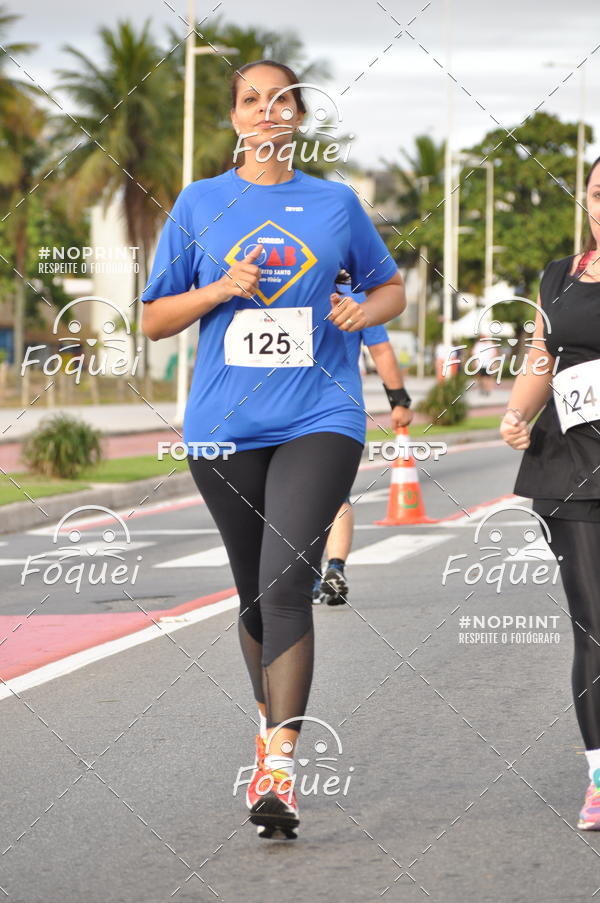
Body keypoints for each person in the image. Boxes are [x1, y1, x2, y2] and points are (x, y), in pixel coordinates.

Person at [141, 60, 406, 839]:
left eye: (279, 99)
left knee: (288, 577)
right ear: (234, 120)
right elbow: (154, 318)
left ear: (297, 115)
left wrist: (365, 308)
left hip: (320, 414)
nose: (265, 111)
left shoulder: (335, 204)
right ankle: (268, 735)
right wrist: (221, 288)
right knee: (254, 593)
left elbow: (390, 288)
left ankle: (281, 771)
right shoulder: (199, 204)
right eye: (250, 100)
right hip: (223, 423)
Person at [500, 154, 600, 831]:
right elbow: (544, 352)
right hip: (569, 463)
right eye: (598, 189)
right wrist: (516, 412)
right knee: (594, 624)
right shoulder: (559, 275)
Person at [313, 273, 413, 605]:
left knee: (286, 498)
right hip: (338, 412)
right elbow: (381, 351)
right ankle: (335, 567)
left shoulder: (284, 291)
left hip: (292, 410)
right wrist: (399, 400)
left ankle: (311, 571)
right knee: (333, 496)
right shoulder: (356, 298)